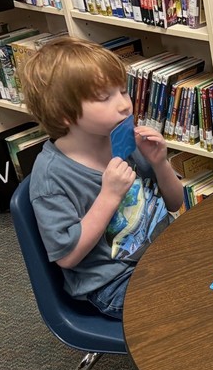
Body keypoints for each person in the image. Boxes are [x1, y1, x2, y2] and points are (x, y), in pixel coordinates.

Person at [21, 36, 184, 319]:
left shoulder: (125, 141)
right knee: (194, 304)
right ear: (64, 114)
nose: (124, 105)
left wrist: (160, 164)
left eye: (123, 91)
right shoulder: (52, 178)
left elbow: (174, 201)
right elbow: (67, 256)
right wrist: (109, 196)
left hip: (166, 251)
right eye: (104, 97)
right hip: (114, 282)